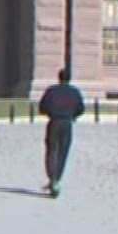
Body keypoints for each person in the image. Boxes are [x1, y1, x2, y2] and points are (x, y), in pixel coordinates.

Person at [37, 67, 86, 197]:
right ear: (69, 78)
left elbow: (42, 107)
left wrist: (50, 113)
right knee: (62, 153)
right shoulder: (74, 92)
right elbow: (81, 108)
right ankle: (56, 180)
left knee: (51, 151)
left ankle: (52, 178)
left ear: (59, 77)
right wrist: (72, 115)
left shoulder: (51, 91)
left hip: (54, 122)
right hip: (67, 123)